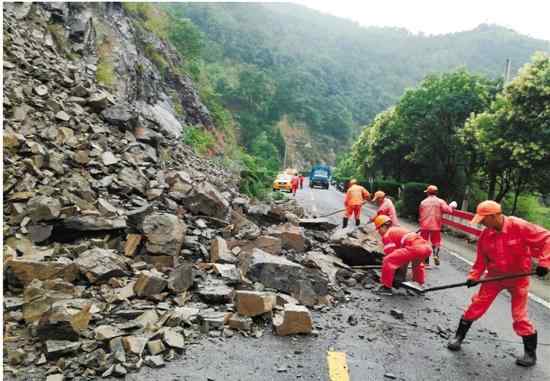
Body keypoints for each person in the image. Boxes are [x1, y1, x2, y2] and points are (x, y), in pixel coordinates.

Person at [447, 200, 550, 367]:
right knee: (476, 305)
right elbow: (480, 261)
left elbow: (547, 238)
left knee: (520, 316)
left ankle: (530, 355)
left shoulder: (519, 226)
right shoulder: (486, 236)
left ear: (494, 216)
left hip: (518, 278)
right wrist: (474, 276)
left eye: (483, 219)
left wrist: (545, 263)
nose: (481, 223)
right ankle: (458, 337)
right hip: (494, 277)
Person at [373, 215, 432, 295]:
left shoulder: (387, 235)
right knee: (417, 265)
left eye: (378, 229)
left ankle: (386, 288)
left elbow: (391, 255)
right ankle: (418, 286)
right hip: (426, 248)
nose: (379, 232)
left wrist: (394, 274)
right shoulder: (397, 230)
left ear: (383, 226)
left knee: (388, 260)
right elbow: (402, 258)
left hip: (415, 248)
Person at [418, 185, 457, 266]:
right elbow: (449, 210)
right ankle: (435, 254)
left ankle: (425, 261)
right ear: (436, 193)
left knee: (424, 242)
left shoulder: (423, 202)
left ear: (428, 193)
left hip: (424, 226)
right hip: (435, 225)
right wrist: (452, 206)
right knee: (436, 241)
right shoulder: (440, 201)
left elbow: (421, 214)